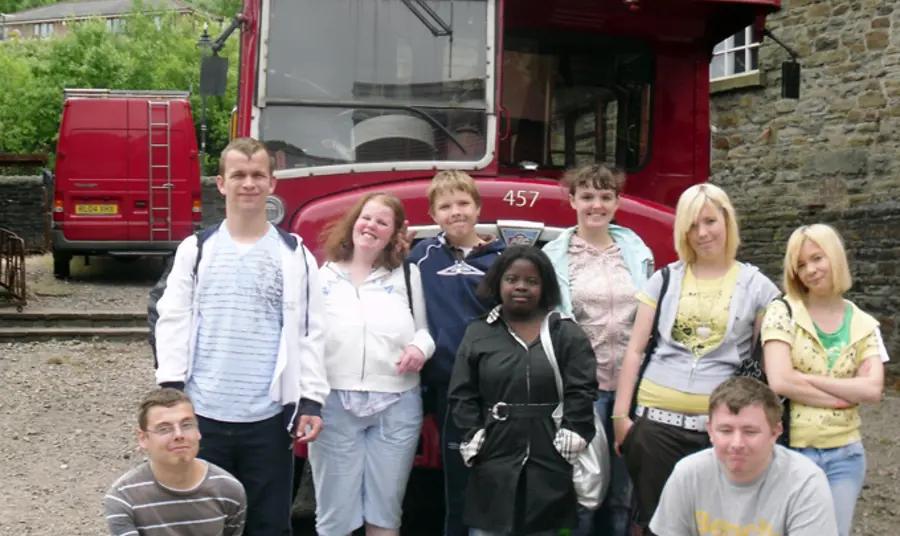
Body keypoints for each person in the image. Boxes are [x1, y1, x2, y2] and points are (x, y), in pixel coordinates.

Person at [153, 137, 329, 536]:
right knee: (201, 524)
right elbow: (172, 318)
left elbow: (312, 330)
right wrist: (171, 391)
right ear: (221, 183)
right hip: (203, 415)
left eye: (257, 175)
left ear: (272, 183)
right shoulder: (196, 250)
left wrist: (312, 400)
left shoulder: (295, 253)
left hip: (268, 419)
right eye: (238, 175)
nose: (248, 184)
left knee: (268, 525)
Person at [610, 183, 780, 534]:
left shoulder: (758, 286)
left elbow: (767, 362)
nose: (702, 233)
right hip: (654, 429)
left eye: (710, 221)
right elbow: (635, 350)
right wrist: (621, 417)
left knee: (716, 524)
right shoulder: (665, 279)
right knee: (659, 523)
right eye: (691, 225)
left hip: (719, 432)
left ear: (727, 221)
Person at [309, 192, 435, 536]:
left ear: (394, 233)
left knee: (384, 513)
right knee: (335, 516)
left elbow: (425, 331)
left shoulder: (407, 276)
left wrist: (419, 349)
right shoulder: (322, 276)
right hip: (335, 402)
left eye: (382, 222)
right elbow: (306, 337)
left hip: (396, 405)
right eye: (367, 218)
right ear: (353, 222)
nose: (371, 226)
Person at [449, 245, 598, 536]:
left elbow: (582, 390)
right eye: (512, 279)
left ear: (544, 287)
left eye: (532, 281)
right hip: (494, 453)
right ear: (498, 282)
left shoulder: (565, 332)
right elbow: (461, 393)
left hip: (550, 454)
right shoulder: (478, 332)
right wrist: (473, 435)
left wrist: (573, 435)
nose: (521, 287)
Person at [542, 164, 654, 536]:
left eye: (606, 196)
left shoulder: (636, 251)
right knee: (584, 489)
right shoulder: (556, 256)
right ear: (572, 200)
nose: (596, 205)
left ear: (617, 202)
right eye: (587, 196)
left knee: (623, 491)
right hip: (581, 388)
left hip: (630, 388)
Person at [763, 223, 888, 536]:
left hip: (845, 454)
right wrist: (845, 395)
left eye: (817, 258)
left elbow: (873, 389)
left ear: (835, 257)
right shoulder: (782, 312)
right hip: (793, 450)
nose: (810, 270)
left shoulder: (863, 322)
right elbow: (780, 381)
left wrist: (806, 378)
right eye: (801, 264)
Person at [406, 170, 506, 536]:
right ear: (433, 216)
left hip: (495, 388)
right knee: (457, 485)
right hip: (449, 389)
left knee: (495, 479)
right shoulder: (421, 256)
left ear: (478, 208)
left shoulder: (502, 259)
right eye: (445, 206)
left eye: (463, 203)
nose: (455, 212)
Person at [649, 377, 839, 536]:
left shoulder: (805, 483)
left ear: (775, 432)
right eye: (726, 430)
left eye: (750, 432)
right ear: (710, 431)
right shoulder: (688, 474)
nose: (737, 444)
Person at [104, 388, 247, 536]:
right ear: (143, 438)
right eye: (164, 428)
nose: (179, 435)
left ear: (198, 431)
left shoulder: (229, 490)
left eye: (186, 425)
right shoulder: (124, 498)